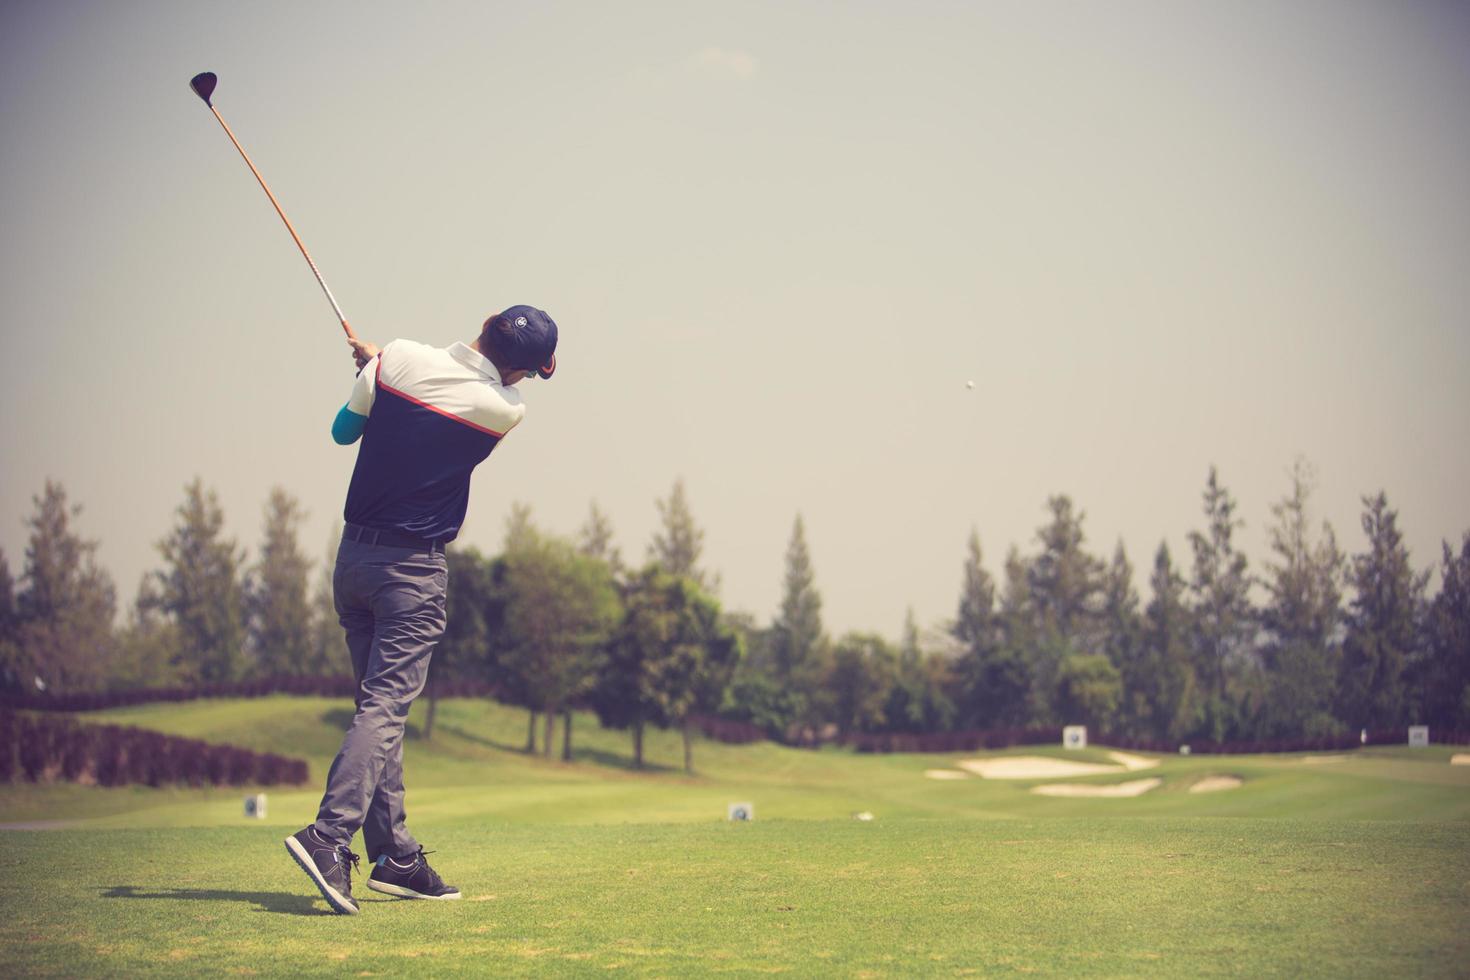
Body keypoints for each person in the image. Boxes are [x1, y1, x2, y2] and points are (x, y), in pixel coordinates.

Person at [284, 306, 558, 915]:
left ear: (485, 321)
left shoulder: (398, 358)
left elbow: (342, 432)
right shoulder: (505, 410)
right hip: (412, 573)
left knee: (376, 713)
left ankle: (394, 856)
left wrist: (376, 372)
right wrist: (381, 371)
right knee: (383, 710)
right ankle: (327, 838)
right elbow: (466, 392)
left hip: (353, 559)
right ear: (524, 372)